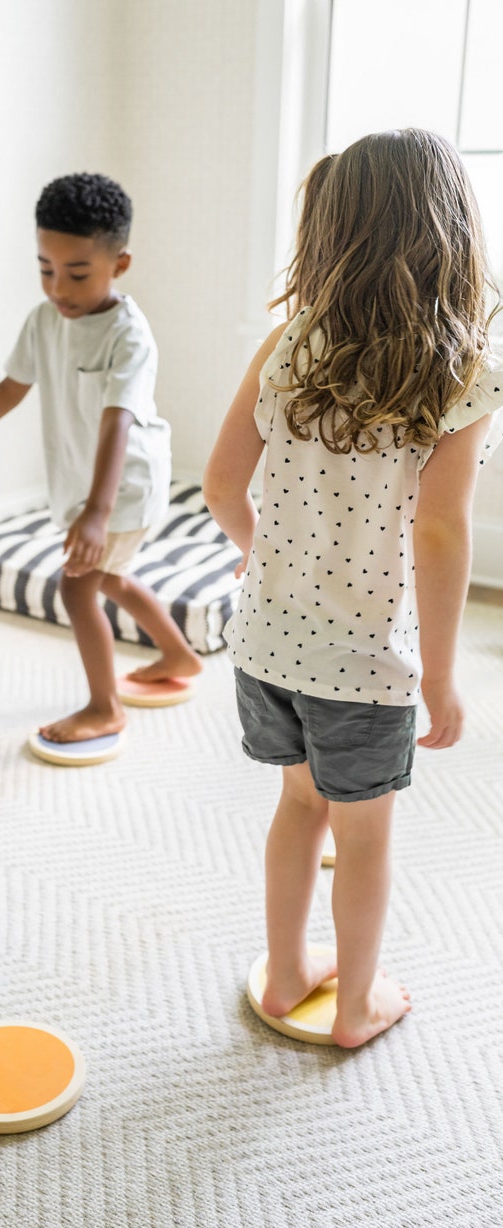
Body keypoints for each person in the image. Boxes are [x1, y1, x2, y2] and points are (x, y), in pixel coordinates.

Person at [203, 129, 503, 1048]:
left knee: (299, 808)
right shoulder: (460, 372)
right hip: (366, 668)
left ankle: (290, 972)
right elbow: (442, 533)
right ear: (451, 233)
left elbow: (220, 486)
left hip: (263, 646)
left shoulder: (289, 343)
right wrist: (443, 677)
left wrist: (259, 556)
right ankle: (357, 1005)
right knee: (365, 838)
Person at [0, 173, 201, 743]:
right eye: (45, 268)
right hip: (87, 484)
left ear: (119, 265)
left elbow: (116, 421)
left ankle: (105, 708)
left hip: (123, 484)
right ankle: (179, 655)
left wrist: (96, 512)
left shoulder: (129, 336)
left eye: (77, 273)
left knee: (77, 587)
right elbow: (11, 387)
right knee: (112, 579)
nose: (58, 288)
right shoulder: (45, 320)